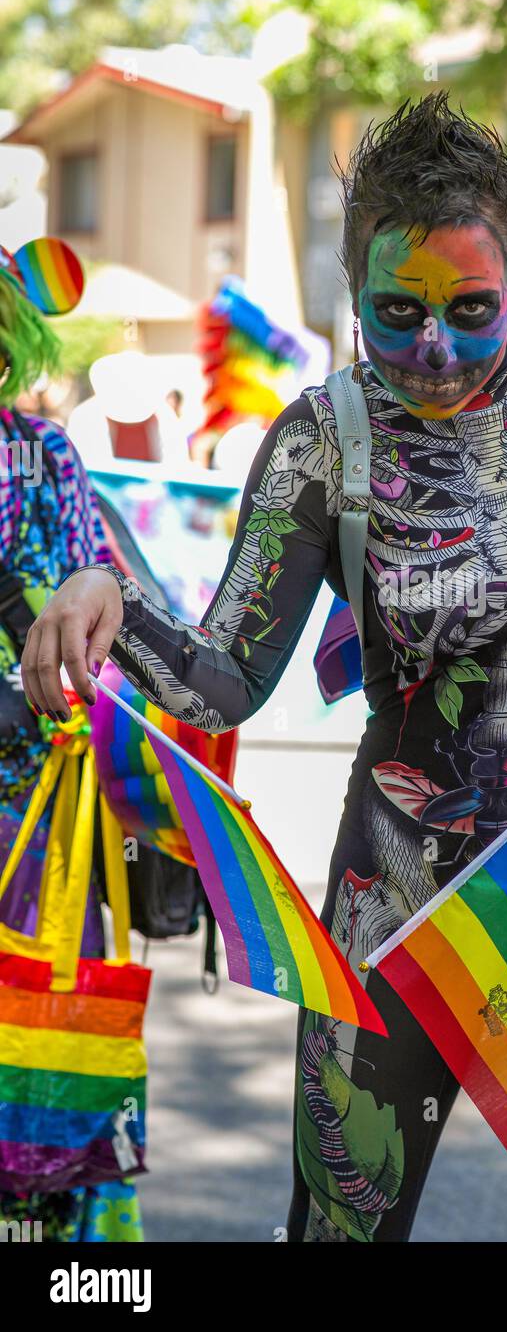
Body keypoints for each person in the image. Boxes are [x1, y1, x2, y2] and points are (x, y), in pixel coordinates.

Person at [23, 94, 507, 1243]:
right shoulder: (323, 437)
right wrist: (108, 597)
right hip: (396, 907)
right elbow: (222, 675)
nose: (433, 348)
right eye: (397, 311)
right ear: (352, 287)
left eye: (474, 312)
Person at [0, 238, 144, 1240]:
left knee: (43, 1061)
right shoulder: (43, 455)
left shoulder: (43, 454)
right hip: (38, 812)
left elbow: (100, 614)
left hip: (36, 814)